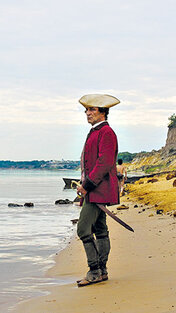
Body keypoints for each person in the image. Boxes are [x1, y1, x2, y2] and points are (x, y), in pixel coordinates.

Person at [75, 94, 120, 287]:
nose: (87, 113)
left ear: (103, 112)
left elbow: (104, 163)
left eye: (92, 109)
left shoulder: (106, 132)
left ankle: (95, 271)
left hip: (97, 190)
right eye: (86, 110)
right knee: (100, 230)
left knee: (83, 230)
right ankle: (101, 272)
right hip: (94, 189)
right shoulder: (95, 131)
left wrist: (86, 186)